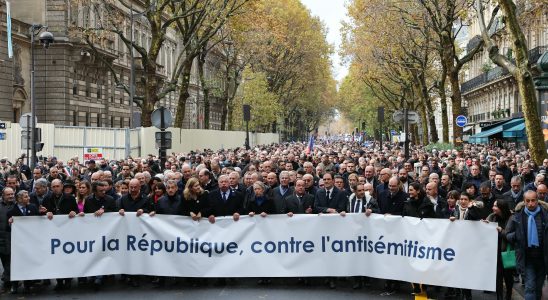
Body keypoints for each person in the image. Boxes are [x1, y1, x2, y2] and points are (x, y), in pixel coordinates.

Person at [506, 190, 548, 300]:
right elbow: (508, 234)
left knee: (538, 287)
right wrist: (517, 235)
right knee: (530, 287)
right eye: (528, 201)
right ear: (524, 201)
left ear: (537, 201)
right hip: (527, 258)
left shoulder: (545, 215)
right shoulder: (517, 216)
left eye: (533, 200)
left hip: (543, 258)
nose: (530, 203)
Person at [7, 190, 39, 294]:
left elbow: (39, 222)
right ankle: (14, 285)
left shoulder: (33, 208)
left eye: (28, 196)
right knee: (16, 264)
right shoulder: (11, 212)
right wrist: (9, 223)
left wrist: (44, 213)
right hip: (18, 244)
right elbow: (7, 229)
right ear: (19, 199)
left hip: (31, 242)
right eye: (26, 197)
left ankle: (27, 284)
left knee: (28, 263)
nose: (29, 198)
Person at [486, 200, 514, 300]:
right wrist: (484, 225)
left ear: (502, 208)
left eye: (495, 206)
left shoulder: (512, 218)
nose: (493, 208)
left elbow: (511, 236)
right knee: (498, 277)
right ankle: (499, 297)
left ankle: (508, 295)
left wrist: (501, 231)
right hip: (495, 252)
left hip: (506, 252)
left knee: (508, 277)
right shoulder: (491, 217)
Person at [0, 187, 15, 293]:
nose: (10, 196)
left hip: (12, 238)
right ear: (3, 195)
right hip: (1, 237)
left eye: (12, 194)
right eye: (8, 194)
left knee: (9, 260)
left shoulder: (17, 206)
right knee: (5, 259)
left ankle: (7, 281)